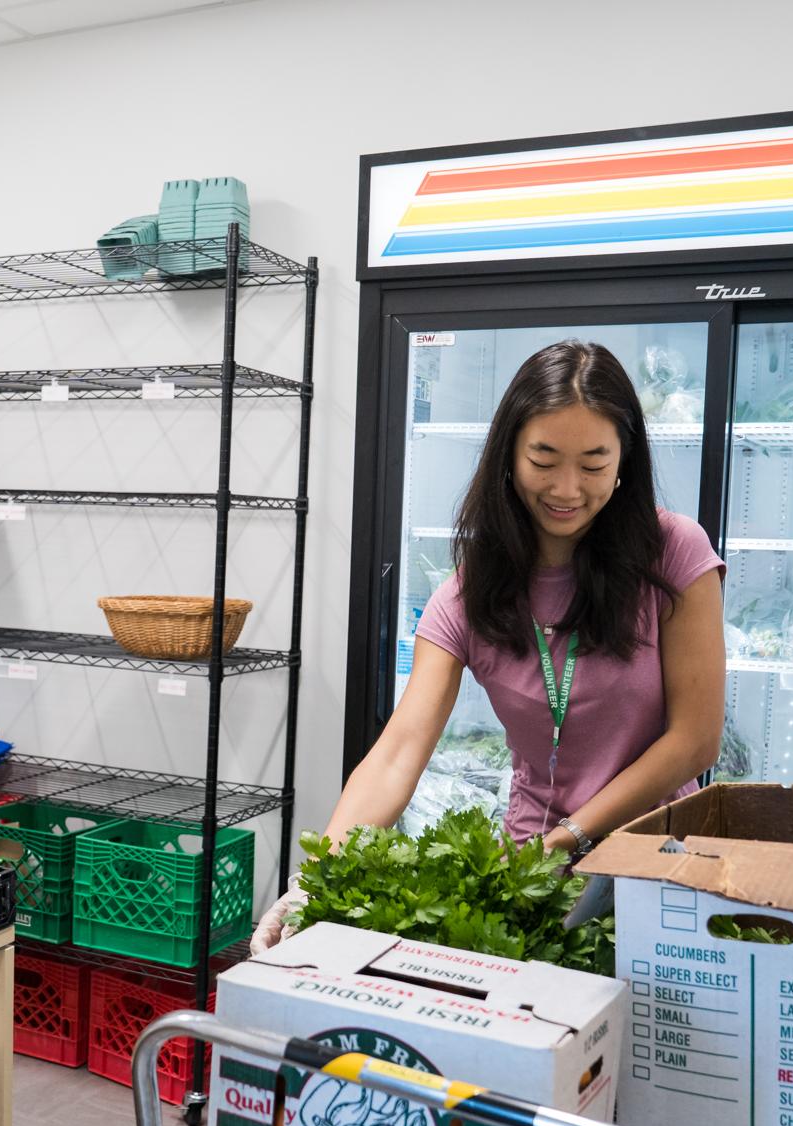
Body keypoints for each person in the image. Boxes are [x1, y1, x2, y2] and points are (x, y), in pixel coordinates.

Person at [253, 340, 725, 952]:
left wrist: (572, 837)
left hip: (654, 857)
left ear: (623, 461)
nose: (567, 488)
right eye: (544, 459)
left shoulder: (673, 553)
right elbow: (398, 752)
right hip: (528, 871)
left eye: (593, 464)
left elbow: (695, 739)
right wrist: (314, 881)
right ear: (510, 453)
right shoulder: (469, 593)